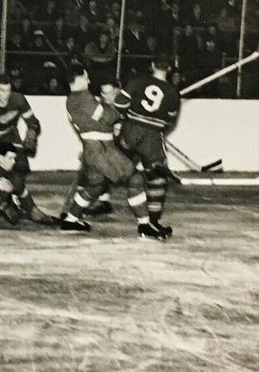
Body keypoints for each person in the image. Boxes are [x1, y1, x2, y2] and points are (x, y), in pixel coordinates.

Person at [59, 62, 164, 239]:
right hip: (101, 149)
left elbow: (102, 119)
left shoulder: (72, 99)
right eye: (86, 77)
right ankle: (144, 225)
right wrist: (123, 104)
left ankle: (70, 220)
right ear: (78, 78)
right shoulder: (84, 97)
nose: (89, 79)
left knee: (95, 186)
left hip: (93, 150)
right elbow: (109, 117)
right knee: (135, 178)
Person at [118, 54, 182, 239]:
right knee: (157, 179)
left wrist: (127, 120)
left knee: (111, 168)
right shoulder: (172, 91)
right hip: (152, 138)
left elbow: (119, 103)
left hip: (129, 132)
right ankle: (153, 222)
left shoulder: (136, 81)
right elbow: (170, 121)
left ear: (152, 65)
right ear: (169, 69)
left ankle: (77, 211)